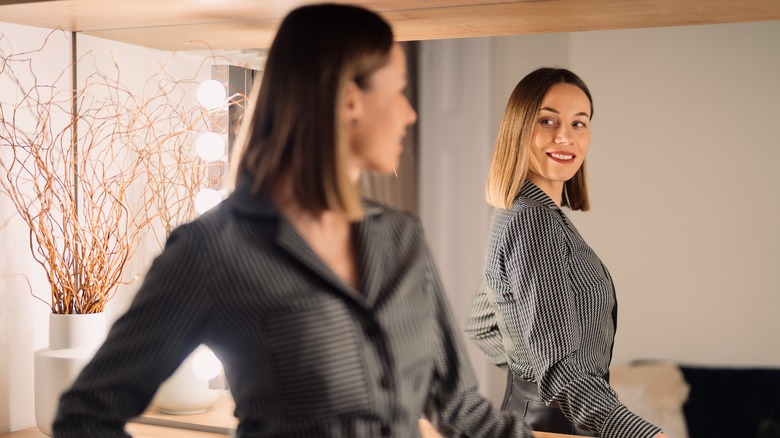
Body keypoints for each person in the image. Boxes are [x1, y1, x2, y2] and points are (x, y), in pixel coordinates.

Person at [53, 4, 532, 437]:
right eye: (401, 91)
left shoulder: (402, 237)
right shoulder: (213, 251)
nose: (410, 113)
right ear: (348, 99)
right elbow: (86, 415)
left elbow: (462, 407)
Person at [465, 67, 666, 437]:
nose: (564, 137)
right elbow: (560, 371)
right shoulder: (533, 223)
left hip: (547, 418)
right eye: (547, 120)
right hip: (556, 427)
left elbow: (481, 325)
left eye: (579, 123)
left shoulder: (517, 213)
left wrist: (529, 369)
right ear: (518, 128)